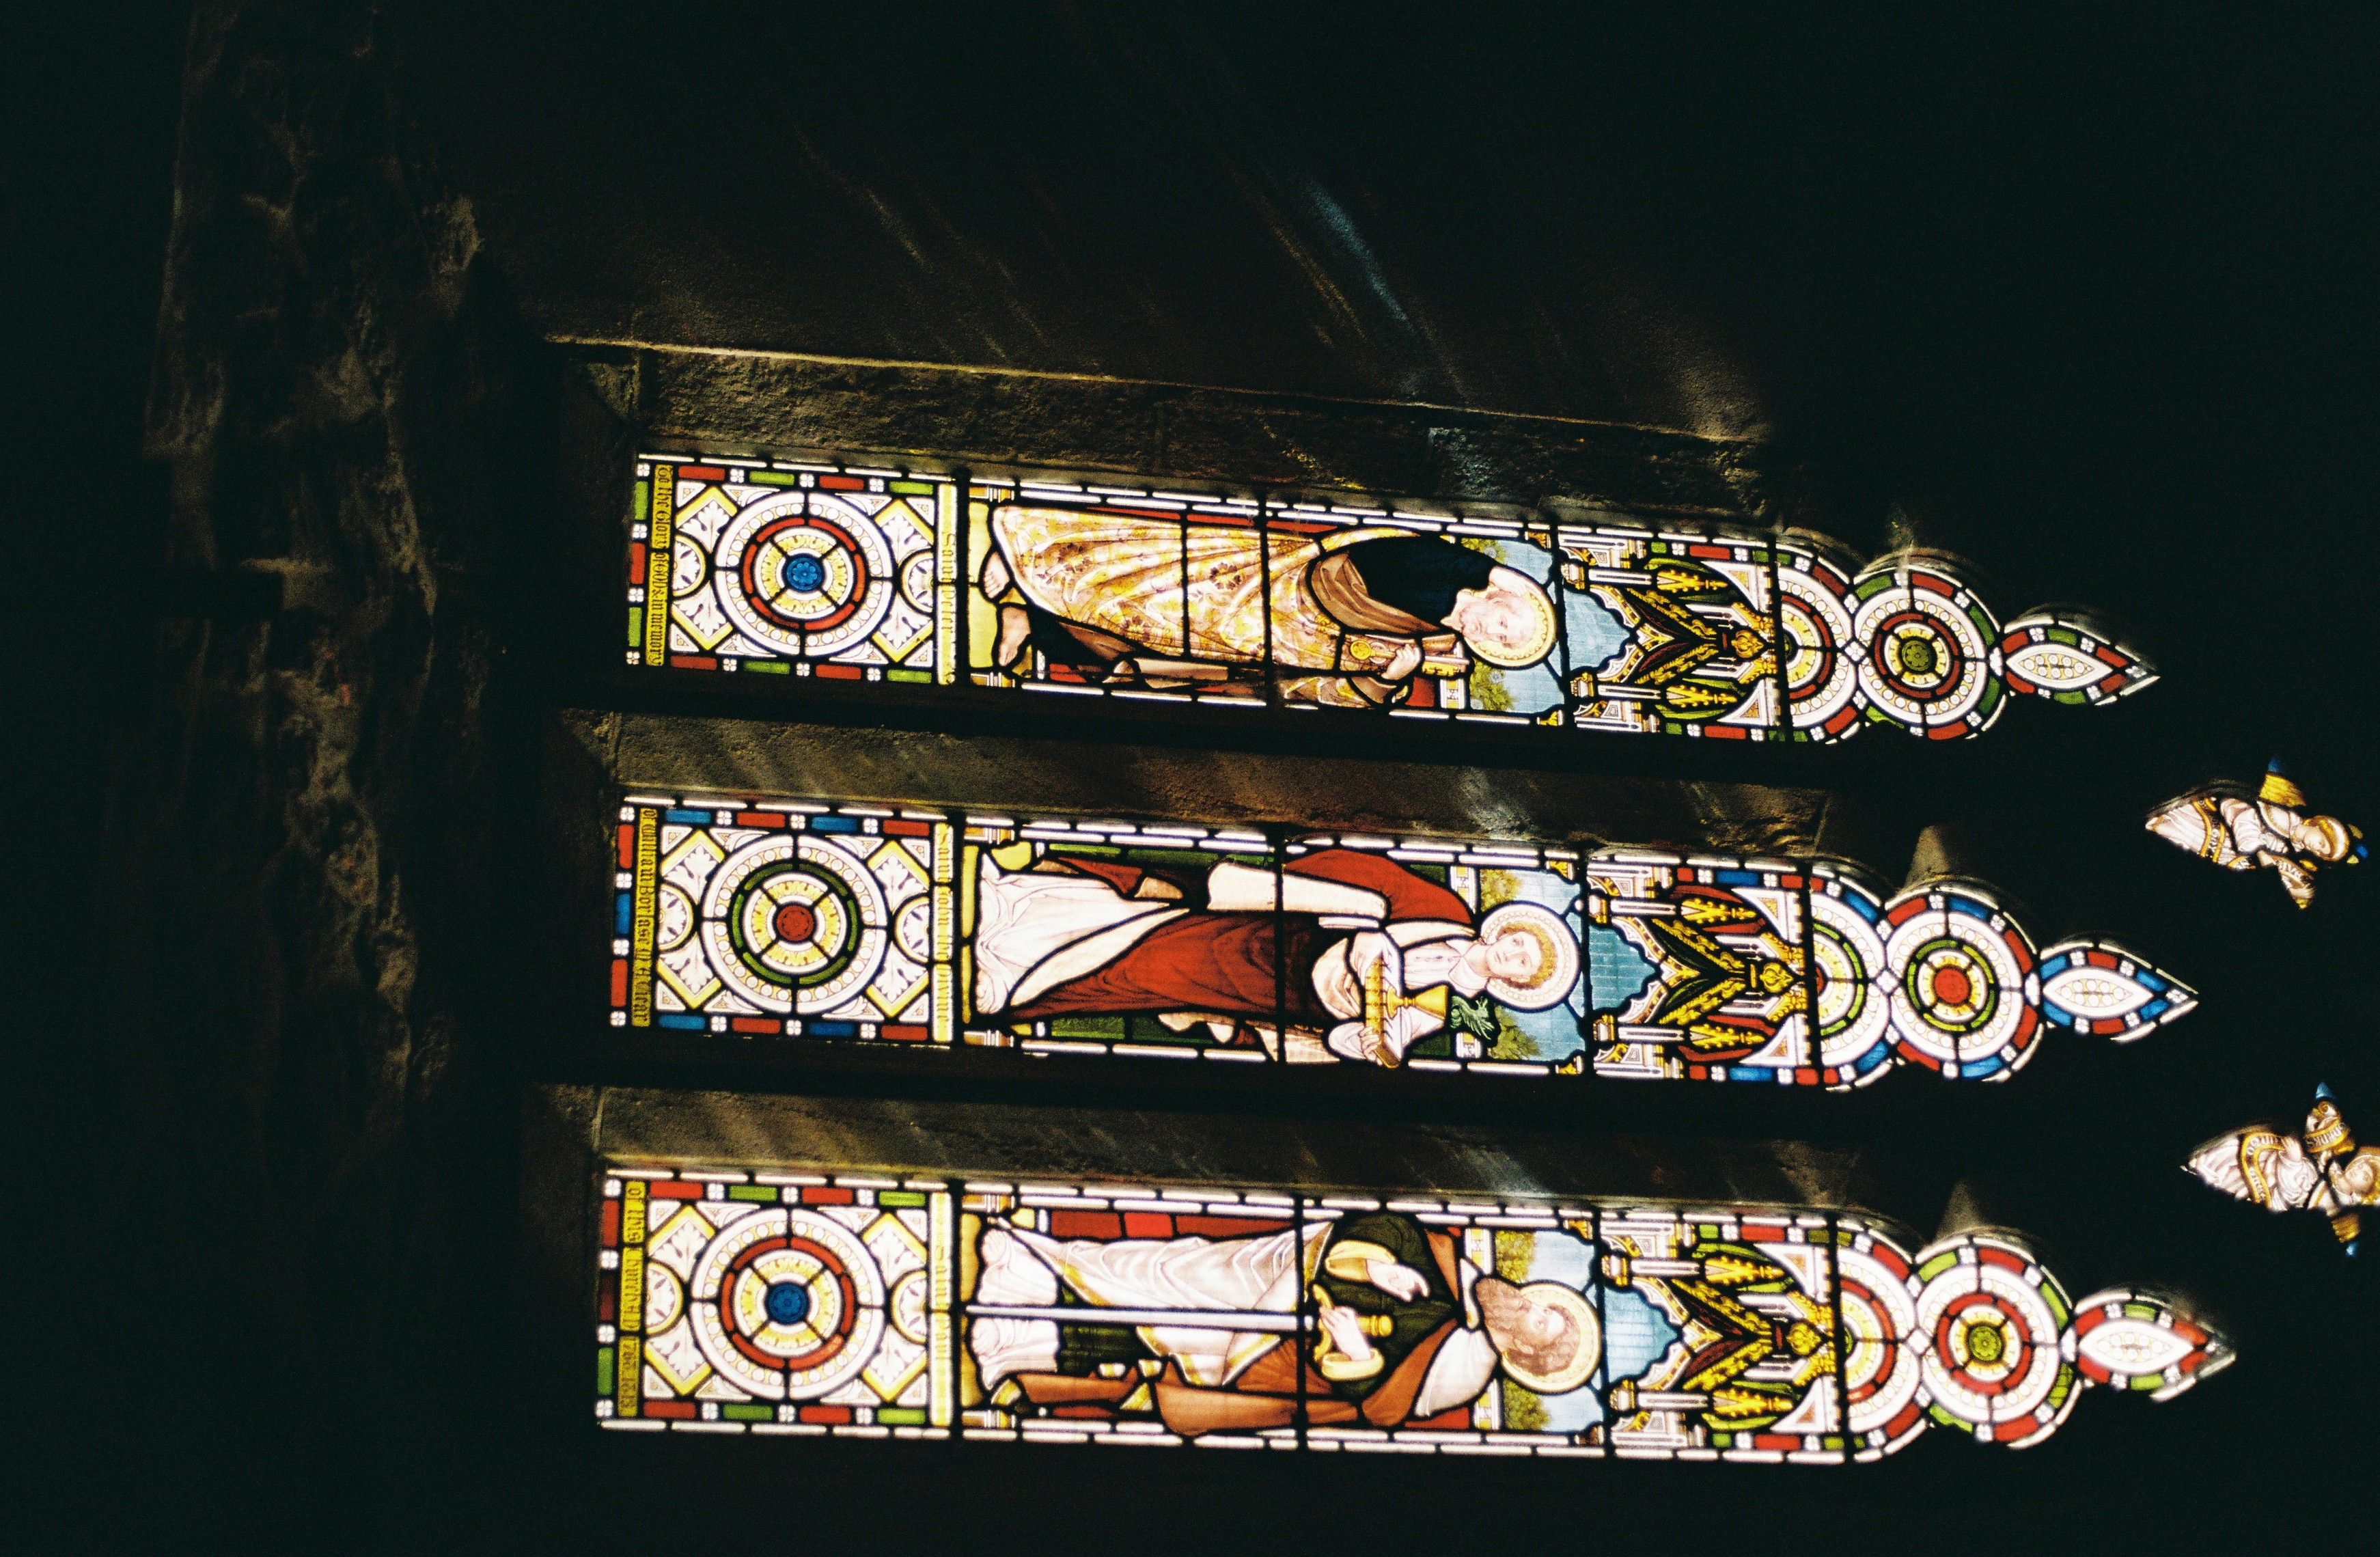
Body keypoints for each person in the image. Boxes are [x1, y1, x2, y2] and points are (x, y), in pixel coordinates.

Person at [969, 1208, 1599, 1436]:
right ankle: (1035, 1269)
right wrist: (1376, 1265)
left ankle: (1025, 1343)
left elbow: (1380, 1406)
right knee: (1177, 1264)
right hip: (1285, 1266)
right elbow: (1383, 1231)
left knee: (1180, 1332)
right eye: (1542, 1304)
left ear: (1522, 1352)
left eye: (1538, 1324)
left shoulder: (1465, 1374)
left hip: (1282, 1348)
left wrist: (1352, 1353)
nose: (1527, 1306)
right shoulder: (1458, 1268)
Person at [969, 844, 1579, 1065]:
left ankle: (1019, 988)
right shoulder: (1441, 917)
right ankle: (1019, 918)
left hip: (1286, 999)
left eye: (1523, 967)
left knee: (1155, 976)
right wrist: (1367, 941)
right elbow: (1364, 904)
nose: (1514, 957)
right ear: (1504, 930)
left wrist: (1371, 1040)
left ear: (1513, 986)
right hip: (1288, 940)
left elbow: (1372, 1041)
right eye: (1520, 944)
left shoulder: (1448, 1008)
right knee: (1161, 933)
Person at [978, 506, 1558, 707]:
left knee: (1147, 652)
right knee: (1147, 578)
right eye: (1505, 620)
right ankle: (1026, 543)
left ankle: (1031, 622)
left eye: (1503, 641)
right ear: (1496, 595)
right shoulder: (1437, 578)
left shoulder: (1435, 647)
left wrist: (1384, 681)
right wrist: (1487, 569)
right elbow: (1365, 566)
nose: (1494, 631)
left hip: (1259, 648)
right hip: (1269, 588)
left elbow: (1329, 691)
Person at [2146, 763, 2364, 908]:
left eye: (2320, 852)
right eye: (2322, 843)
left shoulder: (2288, 849)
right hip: (2205, 814)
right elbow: (2237, 808)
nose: (2316, 849)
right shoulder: (2283, 814)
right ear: (2320, 824)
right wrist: (2256, 849)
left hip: (2219, 852)